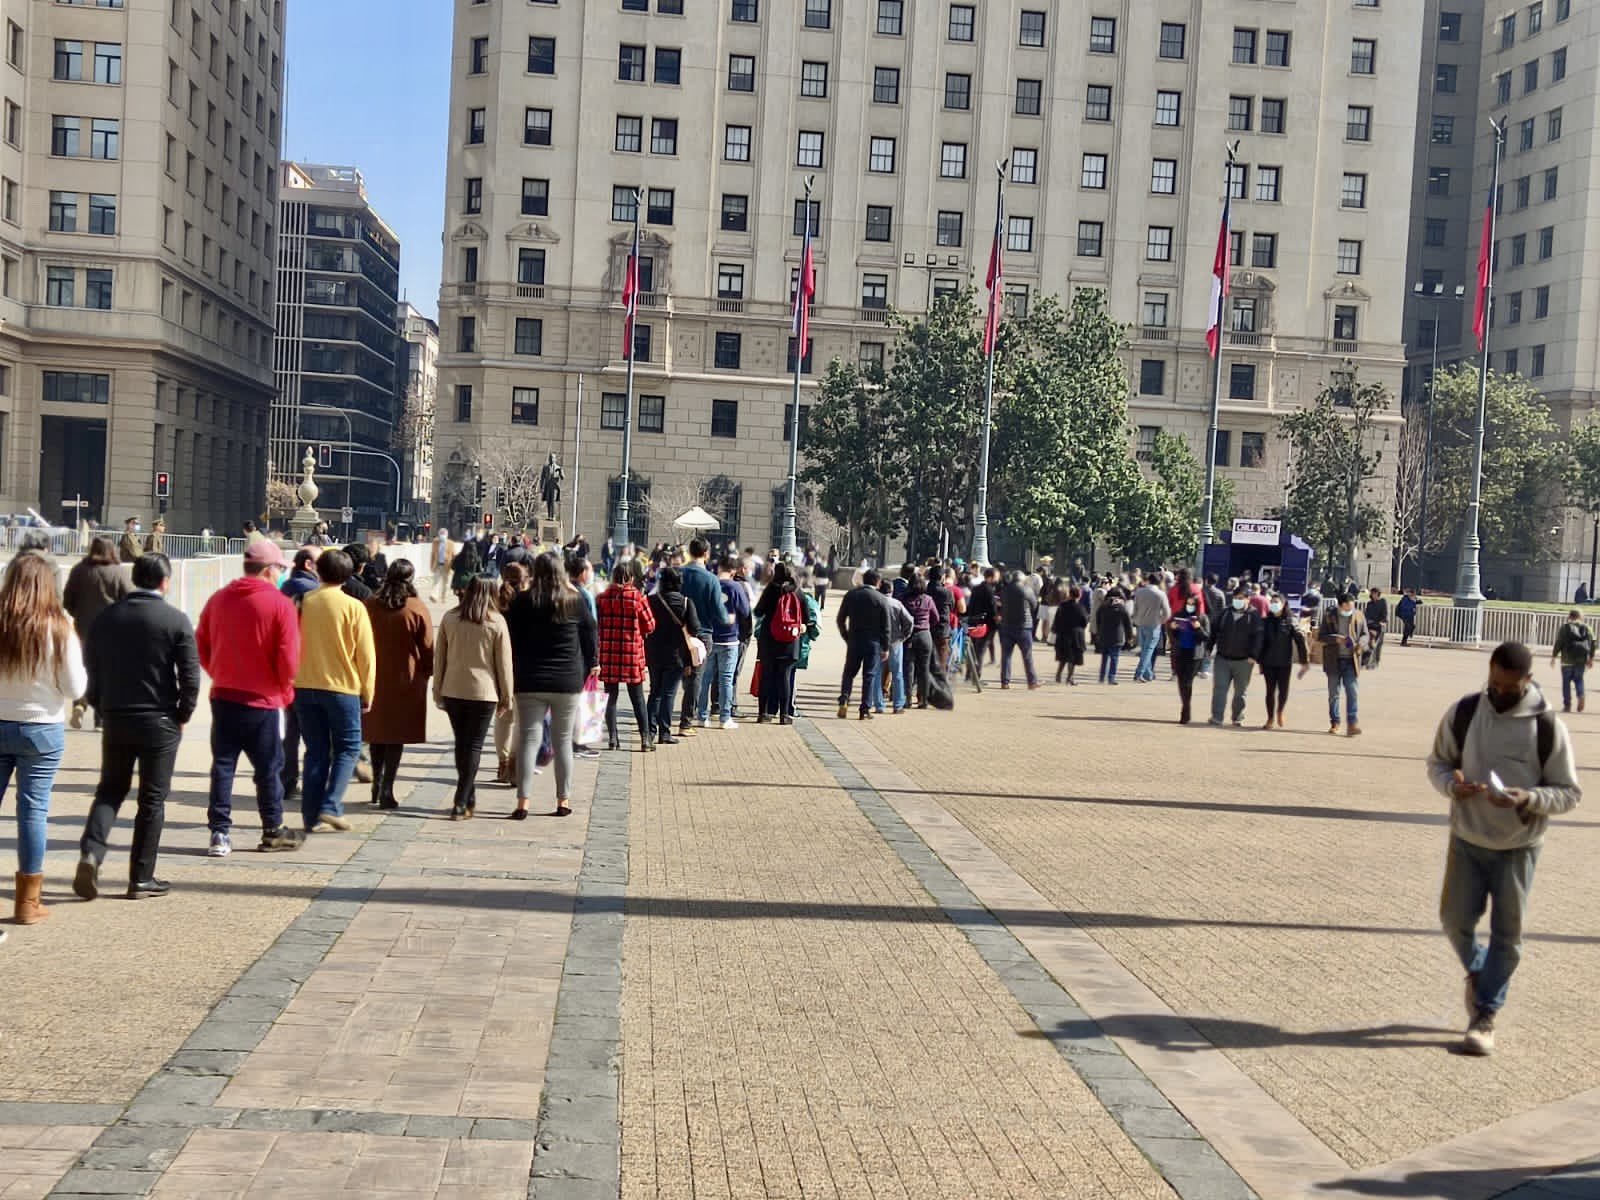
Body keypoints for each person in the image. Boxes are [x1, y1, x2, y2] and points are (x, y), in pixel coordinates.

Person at [1427, 640, 1581, 1056]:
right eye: (1494, 683)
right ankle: (1482, 976)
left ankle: (1485, 1014)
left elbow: (1568, 793)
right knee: (1454, 920)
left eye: (1509, 687)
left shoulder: (1547, 725)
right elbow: (1438, 762)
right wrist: (1452, 787)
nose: (1499, 692)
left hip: (1519, 846)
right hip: (1468, 838)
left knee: (1507, 937)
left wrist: (1528, 799)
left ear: (1527, 681)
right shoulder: (1465, 712)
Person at [74, 554, 199, 900]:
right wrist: (183, 714)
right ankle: (140, 876)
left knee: (110, 789)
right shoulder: (175, 620)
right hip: (159, 719)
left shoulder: (106, 618)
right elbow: (189, 676)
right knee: (152, 799)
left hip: (116, 714)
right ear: (164, 581)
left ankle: (91, 852)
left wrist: (101, 706)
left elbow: (91, 668)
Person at [196, 539, 304, 859]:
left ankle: (219, 832)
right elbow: (288, 658)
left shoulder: (218, 599)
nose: (281, 575)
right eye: (279, 569)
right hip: (264, 699)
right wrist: (286, 691)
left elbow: (201, 643)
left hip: (225, 694)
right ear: (270, 570)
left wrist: (218, 671)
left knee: (224, 765)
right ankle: (272, 829)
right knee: (268, 768)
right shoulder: (280, 604)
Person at [0, 554, 87, 931]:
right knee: (33, 812)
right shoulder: (59, 627)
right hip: (41, 728)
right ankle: (27, 902)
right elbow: (75, 687)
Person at [505, 554, 598, 817]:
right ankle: (563, 800)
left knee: (528, 740)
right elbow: (590, 633)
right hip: (567, 679)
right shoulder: (574, 600)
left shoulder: (523, 601)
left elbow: (512, 638)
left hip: (530, 678)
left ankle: (523, 801)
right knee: (563, 741)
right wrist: (591, 662)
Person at [294, 550, 376, 832]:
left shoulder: (303, 602)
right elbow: (366, 657)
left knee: (315, 751)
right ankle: (330, 806)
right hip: (342, 687)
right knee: (349, 747)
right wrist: (368, 691)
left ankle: (311, 815)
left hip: (304, 685)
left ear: (319, 571)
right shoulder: (354, 607)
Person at [434, 577, 514, 819]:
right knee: (475, 744)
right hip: (484, 691)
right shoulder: (496, 621)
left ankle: (467, 795)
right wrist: (506, 696)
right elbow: (504, 664)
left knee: (462, 742)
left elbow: (440, 659)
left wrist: (437, 689)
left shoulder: (450, 617)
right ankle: (461, 798)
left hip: (453, 689)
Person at [363, 561, 434, 809]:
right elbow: (427, 646)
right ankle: (387, 788)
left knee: (377, 732)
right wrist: (430, 670)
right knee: (395, 736)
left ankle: (376, 781)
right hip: (406, 677)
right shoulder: (415, 607)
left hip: (374, 677)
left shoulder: (371, 604)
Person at [62, 535, 129, 730]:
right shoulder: (118, 572)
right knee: (105, 673)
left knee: (83, 669)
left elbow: (67, 600)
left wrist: (79, 615)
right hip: (111, 631)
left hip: (83, 629)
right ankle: (101, 718)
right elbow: (129, 599)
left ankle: (80, 705)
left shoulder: (79, 570)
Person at [597, 556, 656, 751]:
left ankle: (613, 738)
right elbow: (650, 625)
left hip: (609, 652)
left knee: (610, 696)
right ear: (630, 577)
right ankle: (645, 739)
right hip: (631, 653)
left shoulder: (603, 598)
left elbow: (597, 624)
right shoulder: (638, 597)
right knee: (637, 697)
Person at [678, 537, 733, 738]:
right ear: (706, 554)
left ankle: (658, 720)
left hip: (678, 631)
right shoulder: (710, 579)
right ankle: (686, 721)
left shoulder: (679, 574)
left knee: (669, 677)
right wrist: (727, 619)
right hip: (702, 633)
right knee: (696, 678)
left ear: (689, 552)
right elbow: (719, 612)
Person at [645, 566, 698, 743]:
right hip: (676, 655)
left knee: (654, 692)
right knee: (668, 693)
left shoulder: (650, 600)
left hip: (653, 653)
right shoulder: (685, 602)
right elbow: (695, 628)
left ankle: (649, 732)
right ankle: (664, 732)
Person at [697, 556, 749, 729]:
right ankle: (724, 718)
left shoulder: (709, 584)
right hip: (730, 638)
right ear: (733, 571)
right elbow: (745, 610)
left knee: (706, 678)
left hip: (710, 636)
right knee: (726, 679)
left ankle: (702, 716)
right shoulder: (736, 587)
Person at [836, 568, 891, 719]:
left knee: (849, 672)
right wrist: (885, 647)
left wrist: (846, 636)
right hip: (873, 643)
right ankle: (864, 708)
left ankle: (844, 700)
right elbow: (886, 627)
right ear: (878, 582)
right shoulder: (881, 599)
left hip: (854, 640)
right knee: (869, 675)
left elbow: (840, 619)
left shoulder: (852, 595)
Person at [753, 561, 802, 724]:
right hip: (789, 641)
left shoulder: (771, 590)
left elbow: (758, 611)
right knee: (785, 677)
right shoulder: (798, 592)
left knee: (767, 676)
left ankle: (763, 713)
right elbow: (807, 618)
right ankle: (785, 714)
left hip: (769, 638)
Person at [1207, 585, 1264, 726]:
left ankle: (1237, 717)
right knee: (1220, 688)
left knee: (1240, 692)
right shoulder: (1225, 613)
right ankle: (1216, 717)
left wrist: (1254, 656)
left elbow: (1259, 638)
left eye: (1241, 598)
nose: (1237, 601)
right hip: (1222, 658)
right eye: (1235, 598)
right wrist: (1208, 650)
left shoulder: (1254, 616)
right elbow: (1213, 632)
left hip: (1244, 661)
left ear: (1248, 599)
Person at [492, 563, 529, 780]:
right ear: (524, 579)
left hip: (500, 665)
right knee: (521, 719)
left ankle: (502, 763)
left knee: (503, 717)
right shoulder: (528, 602)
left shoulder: (497, 600)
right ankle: (514, 762)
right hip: (524, 666)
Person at [1317, 592, 1367, 736]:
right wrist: (1335, 639)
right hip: (1334, 660)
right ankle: (1335, 721)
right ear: (1339, 606)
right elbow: (1321, 636)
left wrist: (1360, 644)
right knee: (1334, 693)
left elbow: (1365, 634)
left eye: (1351, 607)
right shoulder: (1330, 615)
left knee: (1352, 691)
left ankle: (1352, 723)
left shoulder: (1358, 615)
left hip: (1351, 660)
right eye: (1346, 608)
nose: (1348, 610)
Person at [1258, 593, 1310, 730]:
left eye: (1277, 602)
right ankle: (1270, 718)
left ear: (1283, 604)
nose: (1274, 604)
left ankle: (1280, 710)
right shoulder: (1265, 621)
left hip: (1284, 662)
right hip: (1268, 661)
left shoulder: (1290, 620)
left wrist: (1304, 661)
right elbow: (1260, 643)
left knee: (1283, 690)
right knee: (1270, 691)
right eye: (1272, 602)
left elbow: (1300, 640)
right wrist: (1259, 662)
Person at [1167, 594, 1209, 724]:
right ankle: (1185, 705)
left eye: (1192, 604)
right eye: (1188, 603)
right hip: (1180, 652)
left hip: (1194, 654)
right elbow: (1172, 634)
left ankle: (1186, 711)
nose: (1189, 606)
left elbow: (1206, 636)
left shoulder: (1202, 618)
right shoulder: (1179, 614)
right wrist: (1173, 629)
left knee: (1187, 682)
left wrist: (1197, 628)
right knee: (1181, 681)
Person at [997, 570, 1041, 689]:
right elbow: (1034, 605)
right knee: (1027, 655)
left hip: (1006, 625)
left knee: (1006, 655)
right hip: (1024, 626)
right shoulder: (1027, 590)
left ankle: (1004, 682)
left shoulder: (1005, 591)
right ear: (1022, 579)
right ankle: (1032, 682)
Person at [901, 573, 938, 709]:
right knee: (924, 669)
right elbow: (936, 618)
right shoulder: (928, 599)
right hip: (925, 635)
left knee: (908, 668)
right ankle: (923, 700)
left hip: (910, 636)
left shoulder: (905, 600)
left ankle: (908, 699)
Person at [1551, 609, 1595, 714]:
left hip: (1566, 660)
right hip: (1581, 660)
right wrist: (1591, 658)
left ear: (1570, 616)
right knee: (1579, 680)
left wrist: (1554, 656)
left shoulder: (1565, 627)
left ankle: (1567, 705)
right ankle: (1581, 695)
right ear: (1580, 616)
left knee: (1566, 683)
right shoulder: (1587, 628)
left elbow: (1559, 642)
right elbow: (1593, 644)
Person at [1131, 572, 1173, 683]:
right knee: (1148, 650)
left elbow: (1135, 608)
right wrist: (1161, 620)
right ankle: (1139, 673)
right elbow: (1167, 613)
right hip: (1154, 624)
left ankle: (1148, 674)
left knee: (1145, 649)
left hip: (1141, 623)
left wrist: (1135, 620)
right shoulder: (1160, 594)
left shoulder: (1139, 592)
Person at [1093, 588, 1134, 685]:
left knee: (1105, 657)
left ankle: (1102, 676)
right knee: (1114, 657)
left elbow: (1097, 620)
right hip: (1117, 636)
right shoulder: (1121, 607)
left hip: (1104, 635)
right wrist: (1129, 637)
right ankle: (1111, 677)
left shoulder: (1102, 607)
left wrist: (1098, 633)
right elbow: (1128, 623)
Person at [964, 567, 998, 684]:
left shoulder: (976, 588)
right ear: (990, 577)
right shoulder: (988, 590)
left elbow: (971, 605)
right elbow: (992, 608)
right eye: (996, 577)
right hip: (985, 624)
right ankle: (976, 677)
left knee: (972, 649)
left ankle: (969, 674)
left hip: (974, 622)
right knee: (980, 651)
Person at [1053, 586, 1088, 685]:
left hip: (1063, 634)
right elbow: (1084, 622)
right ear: (1079, 595)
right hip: (1076, 635)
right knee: (1072, 658)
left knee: (1063, 657)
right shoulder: (1080, 607)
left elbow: (1057, 620)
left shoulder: (1062, 606)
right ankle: (1069, 678)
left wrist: (1057, 630)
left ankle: (1058, 675)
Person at [1199, 574, 1227, 679]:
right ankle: (1205, 669)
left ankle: (1197, 666)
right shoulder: (1220, 593)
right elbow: (1223, 609)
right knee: (1210, 645)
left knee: (1200, 643)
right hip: (1214, 623)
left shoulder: (1201, 592)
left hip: (1201, 620)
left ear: (1206, 581)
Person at [1364, 587, 1390, 668]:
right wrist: (1367, 621)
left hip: (1379, 626)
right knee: (1369, 644)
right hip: (1370, 626)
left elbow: (1385, 614)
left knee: (1378, 645)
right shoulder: (1369, 604)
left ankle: (1375, 662)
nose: (1373, 595)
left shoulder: (1383, 602)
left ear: (1378, 594)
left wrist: (1383, 621)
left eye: (1374, 593)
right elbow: (1366, 615)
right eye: (1372, 593)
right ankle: (1368, 661)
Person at [431, 527, 453, 603]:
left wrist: (452, 567)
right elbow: (433, 554)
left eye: (444, 534)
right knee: (435, 581)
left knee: (445, 583)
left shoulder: (451, 543)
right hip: (437, 565)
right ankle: (434, 596)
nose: (442, 535)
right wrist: (431, 565)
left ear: (447, 535)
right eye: (441, 534)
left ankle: (443, 597)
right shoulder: (435, 542)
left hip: (446, 565)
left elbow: (454, 555)